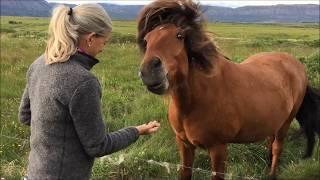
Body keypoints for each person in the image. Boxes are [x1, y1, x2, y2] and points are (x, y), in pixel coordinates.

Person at [18, 4, 160, 180]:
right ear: (91, 38)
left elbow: (25, 116)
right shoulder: (83, 82)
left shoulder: (39, 64)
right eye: (104, 41)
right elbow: (98, 146)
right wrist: (137, 130)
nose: (104, 48)